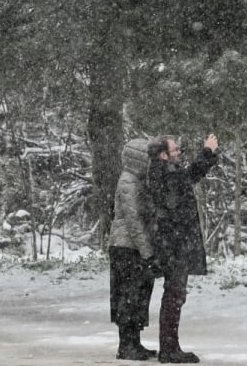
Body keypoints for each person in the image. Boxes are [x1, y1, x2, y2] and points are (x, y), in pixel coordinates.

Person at [146, 133, 220, 364]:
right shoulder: (165, 173)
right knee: (174, 295)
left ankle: (171, 345)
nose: (179, 152)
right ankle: (169, 349)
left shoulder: (163, 172)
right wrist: (207, 152)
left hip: (174, 243)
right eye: (175, 149)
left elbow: (188, 176)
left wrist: (208, 156)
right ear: (163, 155)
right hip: (173, 244)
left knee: (175, 294)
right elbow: (189, 176)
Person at [108, 138, 159, 360]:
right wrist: (147, 249)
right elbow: (134, 220)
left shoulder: (137, 180)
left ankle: (133, 342)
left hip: (132, 247)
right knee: (128, 296)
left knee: (137, 296)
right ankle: (126, 344)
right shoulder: (128, 182)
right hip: (126, 248)